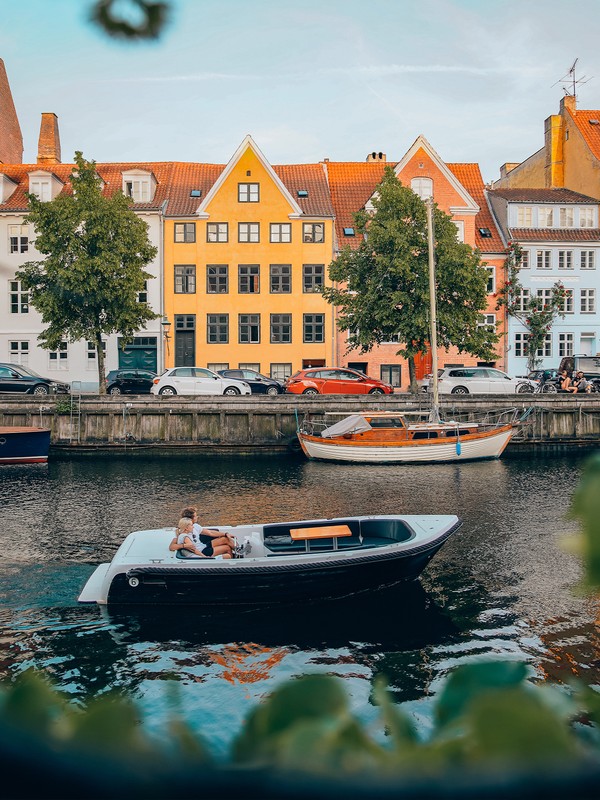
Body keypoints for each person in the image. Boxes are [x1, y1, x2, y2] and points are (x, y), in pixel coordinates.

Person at [169, 505, 234, 556]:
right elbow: (172, 546)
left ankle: (239, 551)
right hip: (201, 551)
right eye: (195, 516)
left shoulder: (195, 526)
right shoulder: (182, 532)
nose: (197, 517)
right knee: (227, 548)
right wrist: (184, 546)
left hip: (203, 546)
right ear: (191, 519)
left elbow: (210, 533)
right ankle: (232, 565)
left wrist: (225, 534)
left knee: (225, 539)